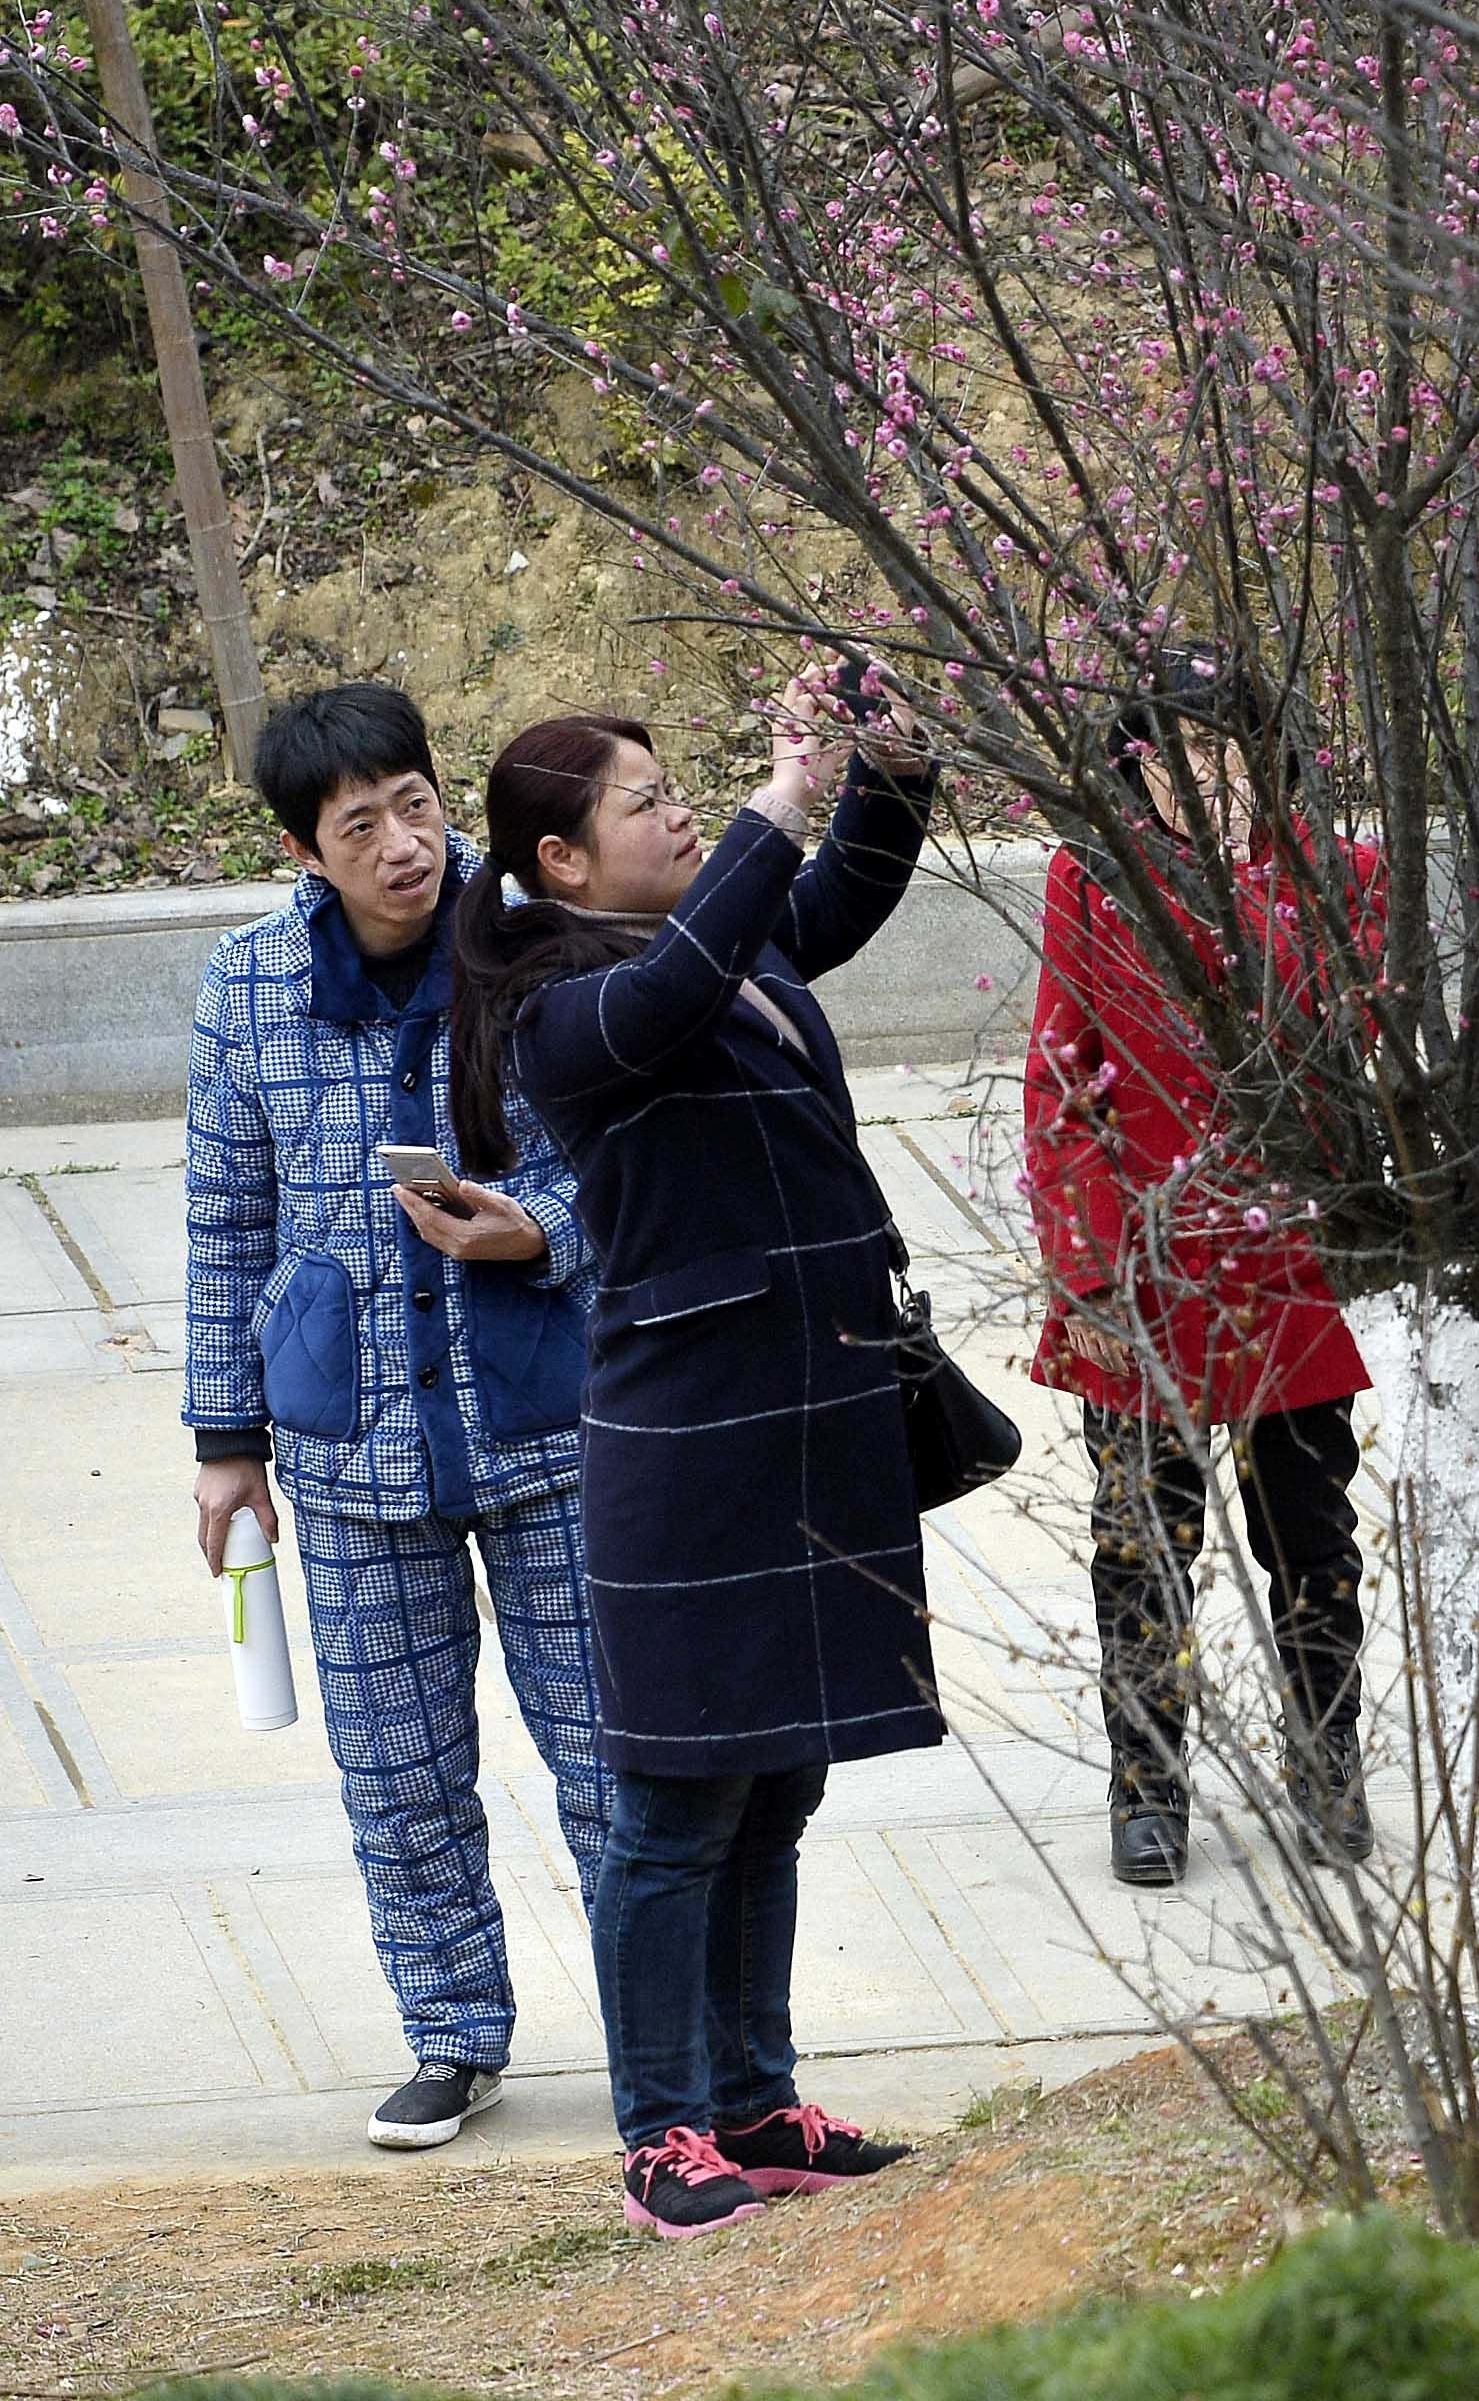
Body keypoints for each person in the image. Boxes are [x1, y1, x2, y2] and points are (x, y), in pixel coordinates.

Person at [450, 672, 938, 2240]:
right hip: (689, 1448)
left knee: (778, 1783)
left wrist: (891, 759)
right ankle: (662, 2132)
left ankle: (756, 2097)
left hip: (809, 1413)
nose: (678, 813)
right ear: (562, 864)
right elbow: (680, 989)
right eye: (644, 803)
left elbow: (840, 893)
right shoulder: (563, 1010)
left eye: (683, 794)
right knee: (673, 1810)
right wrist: (774, 809)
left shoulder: (724, 945)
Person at [181, 681, 611, 2153]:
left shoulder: (539, 946)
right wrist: (223, 1442)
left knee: (611, 1751)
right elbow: (227, 1218)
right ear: (306, 852)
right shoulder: (245, 985)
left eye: (416, 805)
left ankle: (667, 2027)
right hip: (350, 1439)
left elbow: (622, 1161)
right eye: (358, 825)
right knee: (398, 1769)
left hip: (546, 1414)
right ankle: (451, 2033)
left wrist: (532, 1229)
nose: (402, 844)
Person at [1021, 658, 1373, 1892]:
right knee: (1140, 1545)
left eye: (1225, 750)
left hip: (1286, 1267)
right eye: (1169, 755)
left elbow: (1364, 1070)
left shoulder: (1339, 880)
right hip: (1141, 1272)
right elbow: (1063, 1080)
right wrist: (1093, 1260)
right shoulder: (1097, 878)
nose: (1199, 780)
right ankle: (1147, 1787)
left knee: (1311, 1538)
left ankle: (1326, 1764)